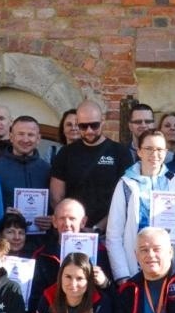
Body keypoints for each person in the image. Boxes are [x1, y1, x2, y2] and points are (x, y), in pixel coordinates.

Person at [105, 130, 175, 281]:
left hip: (169, 266)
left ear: (165, 152)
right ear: (139, 152)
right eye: (149, 149)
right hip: (135, 266)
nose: (154, 154)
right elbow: (114, 234)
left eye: (159, 150)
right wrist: (122, 274)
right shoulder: (126, 184)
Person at [50, 99, 132, 234]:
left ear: (103, 121)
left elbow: (125, 196)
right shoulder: (66, 153)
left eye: (94, 125)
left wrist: (98, 228)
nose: (89, 131)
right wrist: (71, 225)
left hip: (110, 232)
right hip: (73, 232)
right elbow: (56, 197)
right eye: (83, 126)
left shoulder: (120, 153)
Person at [29, 197, 108, 308]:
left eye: (72, 218)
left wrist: (104, 282)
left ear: (83, 222)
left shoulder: (100, 251)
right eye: (62, 218)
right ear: (54, 222)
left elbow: (112, 292)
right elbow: (35, 296)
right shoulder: (42, 255)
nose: (67, 223)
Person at [0, 115, 52, 225]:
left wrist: (51, 220)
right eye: (21, 134)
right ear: (11, 137)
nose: (25, 139)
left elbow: (54, 204)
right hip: (7, 237)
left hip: (41, 239)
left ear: (38, 139)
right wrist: (2, 212)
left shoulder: (48, 170)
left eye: (31, 135)